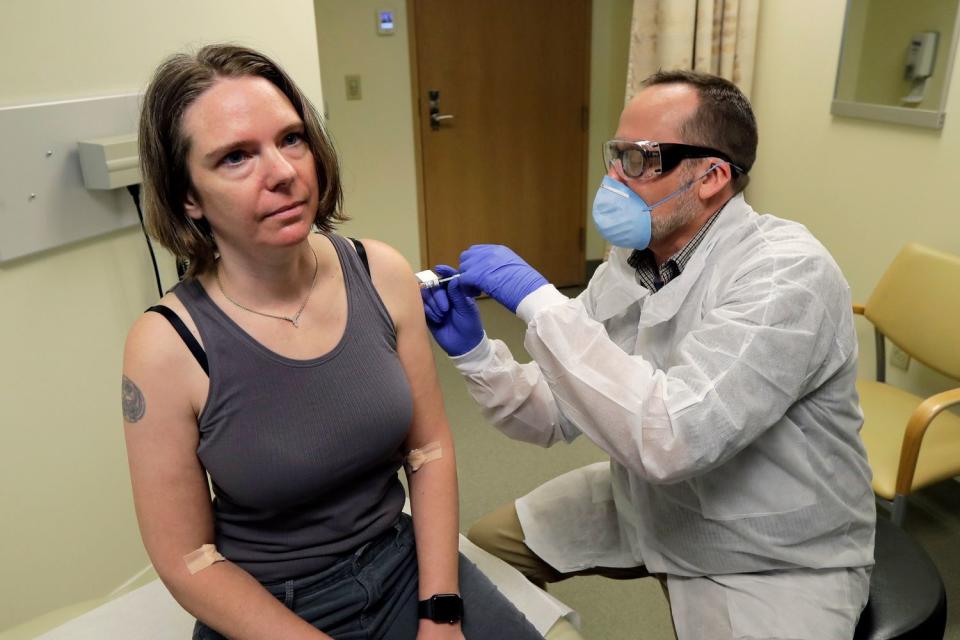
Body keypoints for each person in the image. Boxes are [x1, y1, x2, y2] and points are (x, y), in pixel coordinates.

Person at [422, 70, 876, 640]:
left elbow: (676, 437)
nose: (614, 176)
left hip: (770, 548)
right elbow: (553, 413)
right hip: (653, 501)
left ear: (712, 176)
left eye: (641, 159)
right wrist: (477, 354)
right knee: (487, 555)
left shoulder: (786, 273)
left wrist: (543, 306)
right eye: (615, 155)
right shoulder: (631, 262)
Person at [121, 44, 543, 640]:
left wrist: (441, 612)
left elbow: (430, 450)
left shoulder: (382, 274)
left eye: (291, 139)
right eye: (236, 157)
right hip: (270, 607)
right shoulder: (166, 346)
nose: (283, 172)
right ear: (188, 196)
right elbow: (187, 560)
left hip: (402, 565)